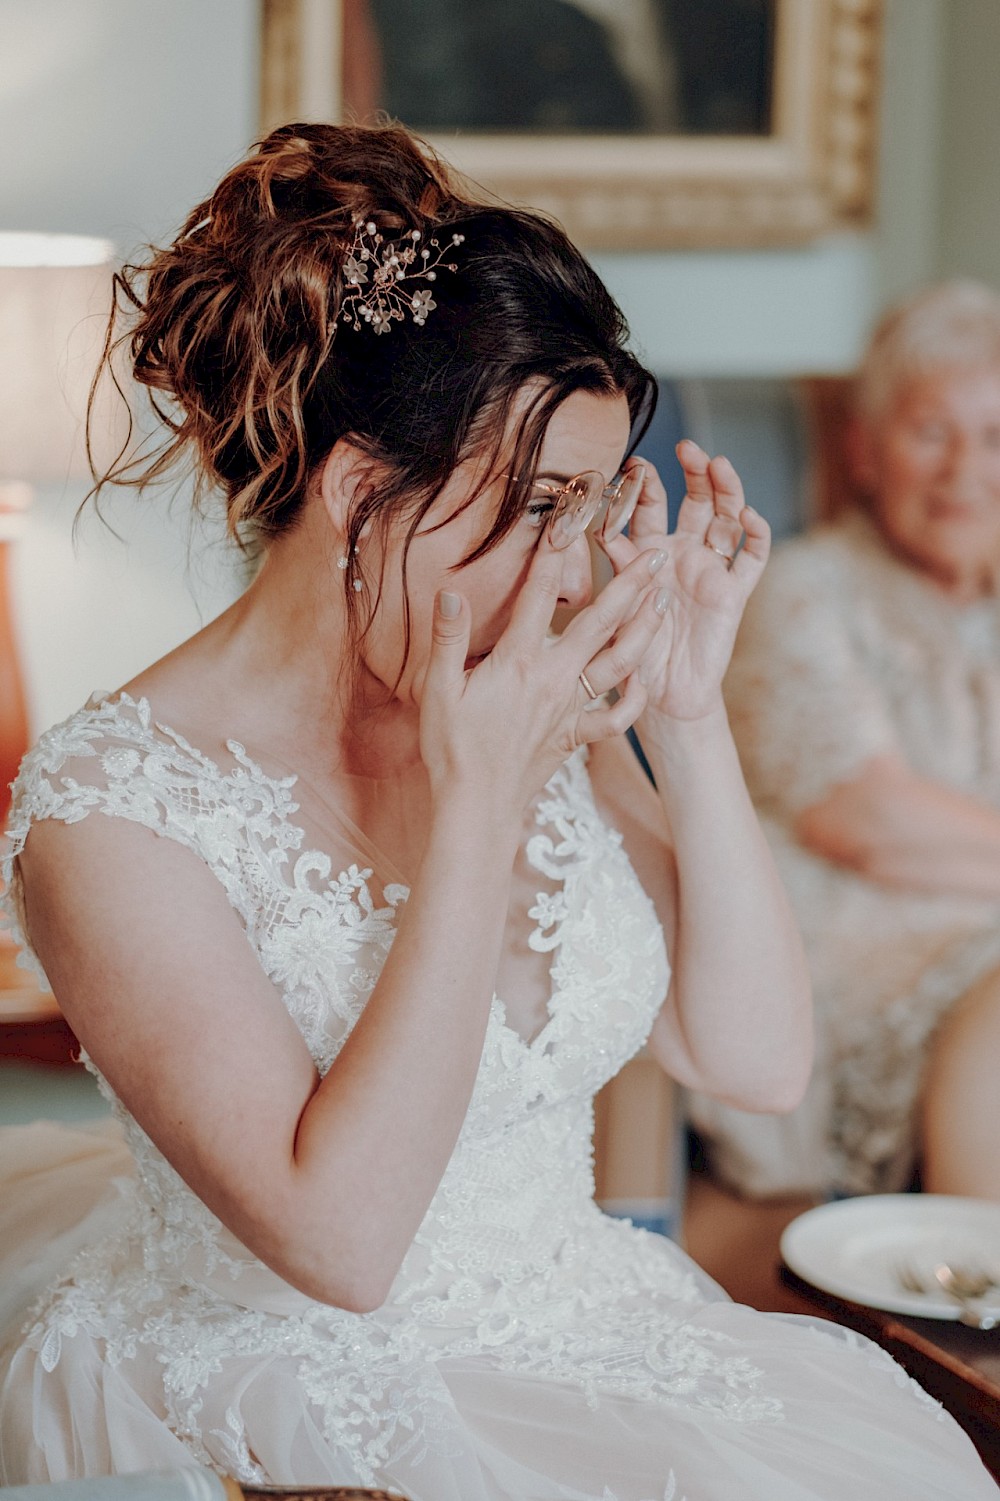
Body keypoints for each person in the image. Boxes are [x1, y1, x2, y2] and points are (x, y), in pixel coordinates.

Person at [0, 127, 992, 1498]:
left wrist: (688, 719)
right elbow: (342, 1246)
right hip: (282, 1400)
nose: (575, 563)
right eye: (537, 504)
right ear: (358, 493)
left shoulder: (524, 691)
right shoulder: (110, 810)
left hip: (581, 1332)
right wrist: (475, 813)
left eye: (588, 506)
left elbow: (754, 1059)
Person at [687, 281, 1000, 1279]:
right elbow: (865, 817)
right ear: (863, 449)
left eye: (994, 437)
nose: (965, 471)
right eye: (930, 432)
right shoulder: (801, 587)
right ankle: (973, 1327)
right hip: (857, 955)